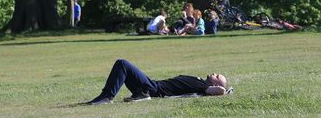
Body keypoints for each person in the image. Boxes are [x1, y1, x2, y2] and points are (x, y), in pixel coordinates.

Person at [85, 59, 228, 105]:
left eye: (217, 76)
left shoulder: (204, 87)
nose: (215, 73)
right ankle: (106, 96)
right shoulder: (199, 81)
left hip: (154, 88)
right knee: (123, 68)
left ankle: (106, 97)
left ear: (215, 84)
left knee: (122, 63)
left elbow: (219, 91)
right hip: (151, 86)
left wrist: (224, 90)